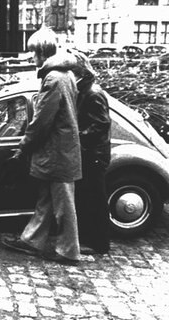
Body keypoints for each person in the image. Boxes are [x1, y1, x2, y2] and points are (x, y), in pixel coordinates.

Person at [2, 27, 82, 265]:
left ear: (41, 52)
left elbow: (41, 122)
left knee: (63, 204)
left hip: (57, 151)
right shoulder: (65, 75)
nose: (32, 57)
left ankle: (69, 251)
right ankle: (31, 240)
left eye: (33, 53)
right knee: (47, 199)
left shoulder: (53, 78)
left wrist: (24, 146)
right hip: (60, 149)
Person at [70, 49, 112, 255]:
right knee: (88, 197)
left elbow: (101, 124)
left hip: (95, 154)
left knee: (95, 198)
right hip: (90, 152)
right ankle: (91, 238)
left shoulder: (93, 93)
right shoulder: (85, 90)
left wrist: (78, 136)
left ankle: (100, 243)